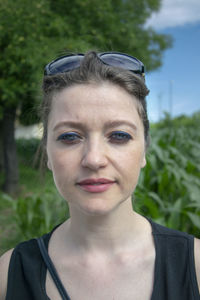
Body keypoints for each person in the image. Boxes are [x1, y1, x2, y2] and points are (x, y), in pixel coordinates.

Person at [0, 51, 200, 300]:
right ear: (47, 153)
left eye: (119, 135)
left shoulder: (196, 266)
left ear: (144, 150)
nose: (94, 159)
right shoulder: (7, 276)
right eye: (70, 137)